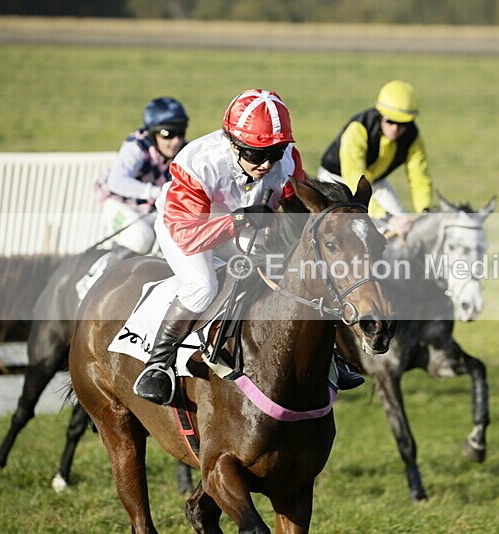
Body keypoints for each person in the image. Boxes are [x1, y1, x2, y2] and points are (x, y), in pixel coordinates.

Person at [133, 89, 364, 405]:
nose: (268, 163)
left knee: (294, 270)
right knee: (202, 286)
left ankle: (331, 355)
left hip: (244, 221)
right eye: (257, 154)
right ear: (232, 142)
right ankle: (157, 365)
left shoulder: (284, 159)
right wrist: (239, 221)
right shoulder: (198, 164)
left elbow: (298, 201)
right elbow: (189, 235)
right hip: (186, 224)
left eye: (277, 151)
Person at [318, 80, 433, 236]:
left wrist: (424, 209)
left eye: (403, 124)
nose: (395, 129)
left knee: (405, 228)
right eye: (390, 121)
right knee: (363, 232)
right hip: (339, 181)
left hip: (374, 181)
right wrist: (386, 217)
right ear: (380, 115)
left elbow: (419, 176)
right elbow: (354, 181)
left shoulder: (413, 137)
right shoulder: (358, 129)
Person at [96, 97, 189, 256]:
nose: (176, 141)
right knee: (140, 239)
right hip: (119, 204)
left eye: (180, 133)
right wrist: (156, 192)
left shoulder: (185, 151)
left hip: (152, 210)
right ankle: (98, 274)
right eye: (168, 133)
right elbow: (116, 181)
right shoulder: (136, 146)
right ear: (153, 133)